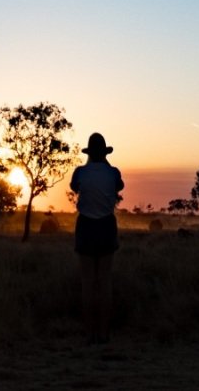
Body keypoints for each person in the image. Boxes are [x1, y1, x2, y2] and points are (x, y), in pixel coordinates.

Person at [70, 132, 124, 344]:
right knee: (104, 281)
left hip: (86, 225)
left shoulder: (80, 172)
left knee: (87, 282)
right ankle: (103, 332)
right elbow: (119, 186)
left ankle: (89, 332)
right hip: (106, 225)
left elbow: (75, 188)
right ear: (105, 153)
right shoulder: (113, 173)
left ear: (89, 152)